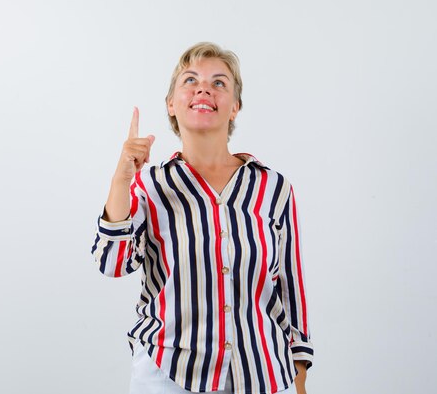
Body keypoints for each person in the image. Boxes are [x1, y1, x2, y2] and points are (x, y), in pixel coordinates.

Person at [91, 42, 313, 394]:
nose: (204, 88)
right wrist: (121, 179)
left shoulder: (273, 187)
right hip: (169, 373)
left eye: (219, 82)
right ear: (171, 104)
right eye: (190, 80)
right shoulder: (149, 184)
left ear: (235, 107)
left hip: (264, 373)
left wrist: (298, 376)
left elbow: (290, 289)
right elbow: (111, 262)